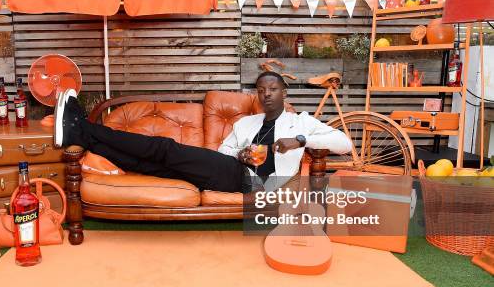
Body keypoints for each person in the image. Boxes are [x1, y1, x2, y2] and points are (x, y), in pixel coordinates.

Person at [53, 71, 352, 194]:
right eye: (261, 90)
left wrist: (300, 140)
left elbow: (344, 144)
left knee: (166, 149)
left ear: (283, 91)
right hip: (234, 169)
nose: (267, 95)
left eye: (273, 89)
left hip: (258, 184)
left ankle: (85, 128)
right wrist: (241, 153)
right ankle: (82, 136)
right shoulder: (246, 124)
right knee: (150, 164)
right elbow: (222, 155)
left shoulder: (300, 122)